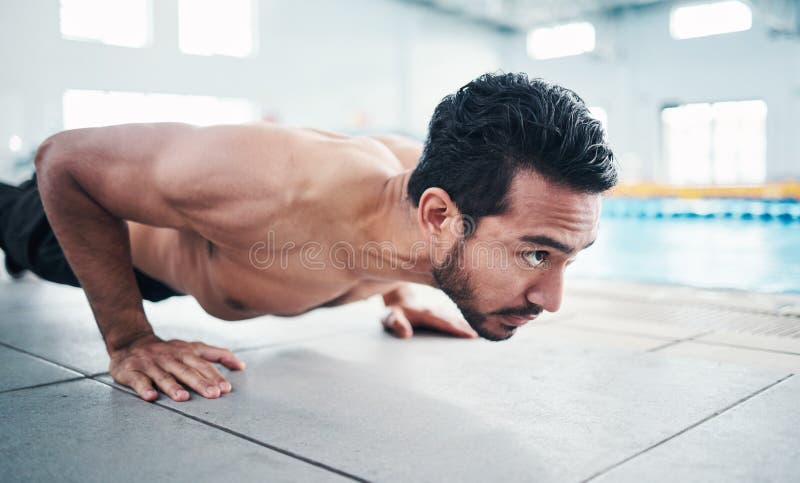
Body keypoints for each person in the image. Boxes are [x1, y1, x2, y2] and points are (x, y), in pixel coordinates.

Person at [0, 72, 617, 402]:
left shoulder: (435, 205)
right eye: (536, 254)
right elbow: (65, 160)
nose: (551, 298)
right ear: (436, 217)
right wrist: (129, 338)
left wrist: (398, 296)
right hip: (71, 236)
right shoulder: (273, 184)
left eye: (567, 259)